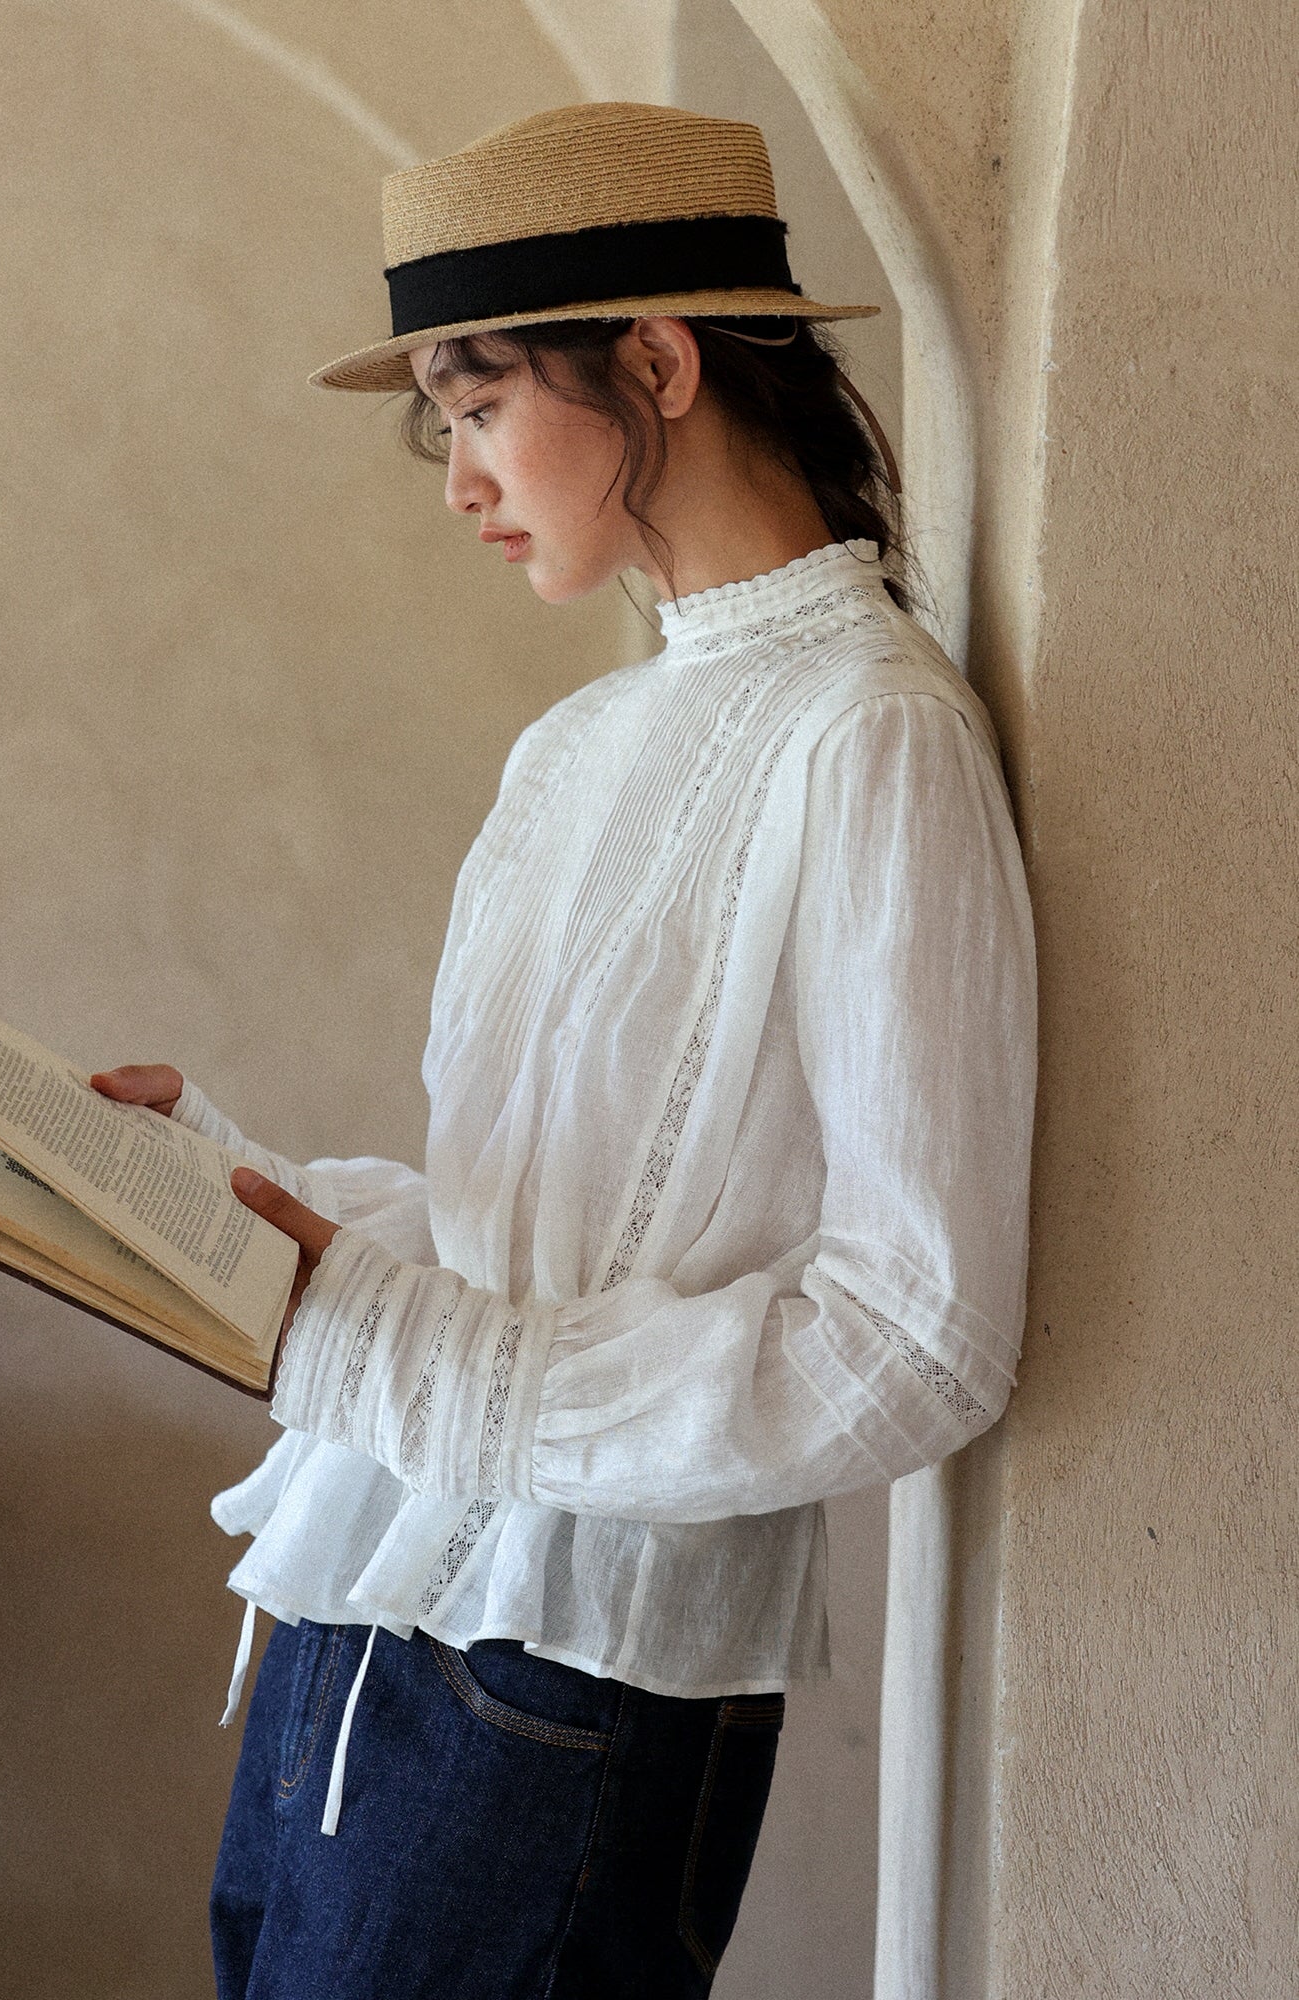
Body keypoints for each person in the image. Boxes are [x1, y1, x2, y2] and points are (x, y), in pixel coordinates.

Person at [91, 101, 1036, 2000]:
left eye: (479, 402)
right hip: (352, 1615)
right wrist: (232, 1197)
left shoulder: (872, 736)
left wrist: (393, 1350)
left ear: (659, 364)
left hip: (574, 1686)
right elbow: (526, 1233)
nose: (457, 478)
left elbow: (917, 1335)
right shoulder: (578, 747)